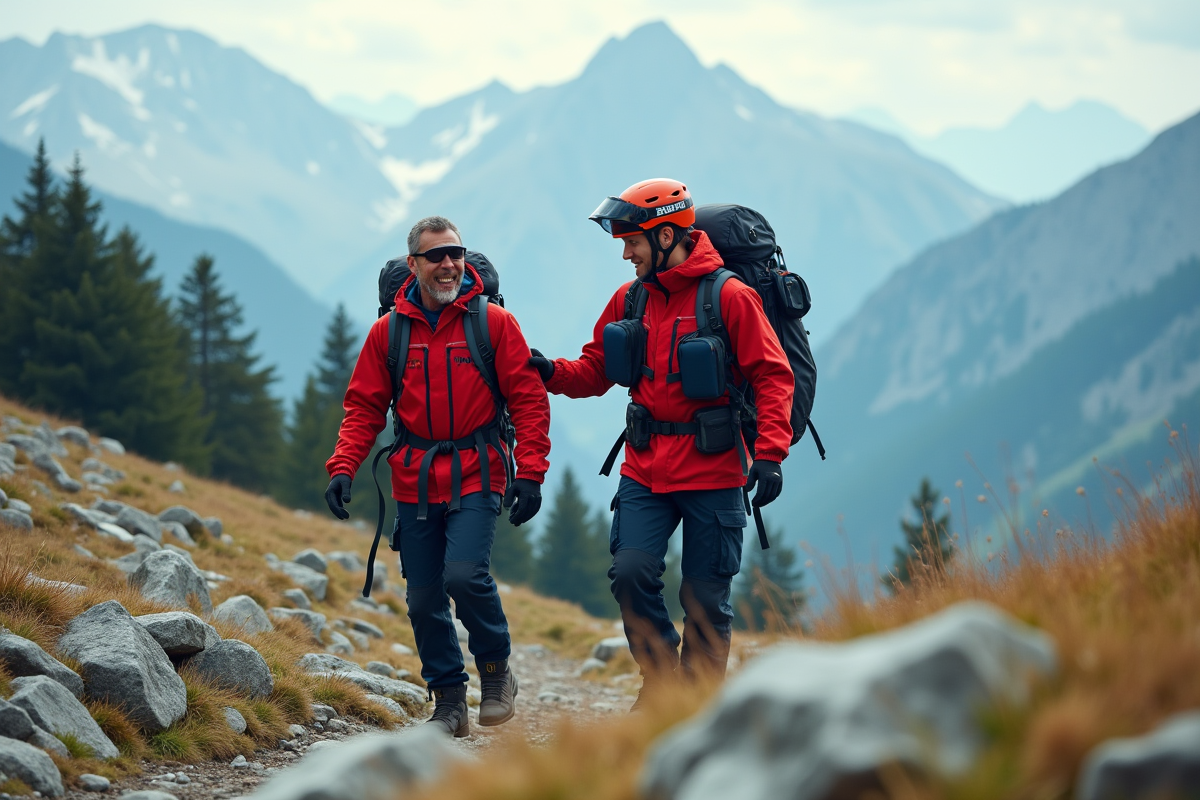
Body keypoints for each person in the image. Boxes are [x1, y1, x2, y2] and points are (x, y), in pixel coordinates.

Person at [528, 179, 794, 698]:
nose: (625, 254)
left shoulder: (729, 296)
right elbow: (594, 370)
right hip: (645, 466)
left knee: (704, 598)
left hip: (715, 468)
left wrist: (769, 455)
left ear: (667, 235)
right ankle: (662, 684)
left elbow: (772, 375)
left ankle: (693, 709)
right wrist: (549, 372)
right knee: (630, 573)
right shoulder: (629, 299)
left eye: (633, 242)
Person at [324, 216, 550, 737]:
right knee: (424, 598)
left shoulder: (493, 324)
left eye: (456, 253)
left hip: (480, 470)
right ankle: (449, 703)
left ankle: (495, 673)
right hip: (416, 478)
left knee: (464, 575)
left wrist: (532, 472)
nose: (449, 264)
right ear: (414, 265)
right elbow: (364, 407)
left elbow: (529, 401)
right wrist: (343, 467)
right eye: (436, 256)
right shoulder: (389, 333)